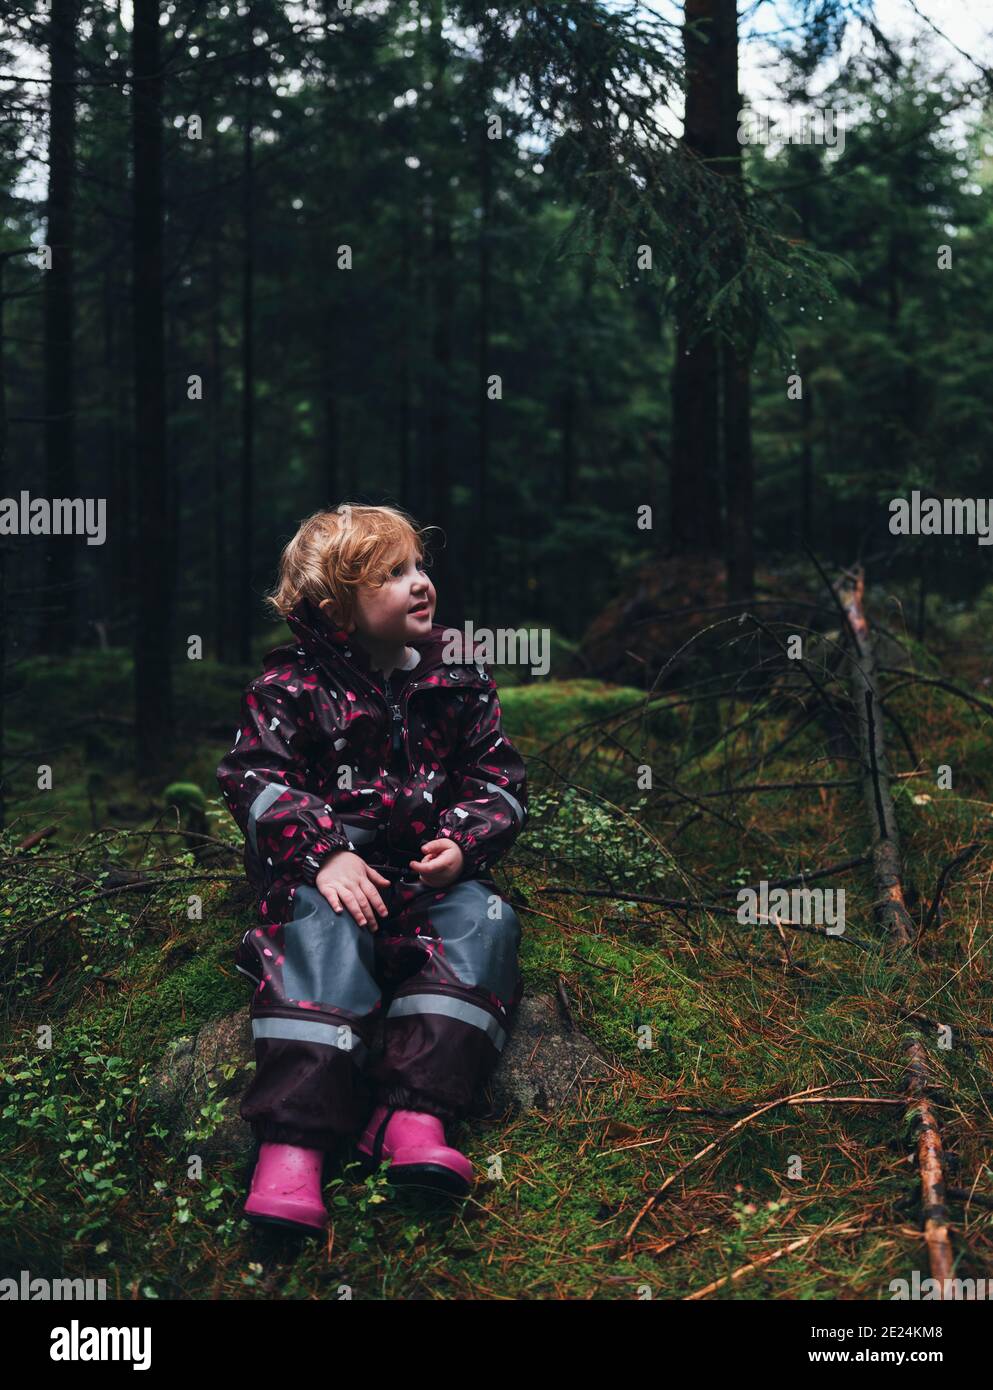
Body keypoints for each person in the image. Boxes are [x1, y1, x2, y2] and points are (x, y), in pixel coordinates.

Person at [216, 502, 529, 1232]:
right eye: (392, 575)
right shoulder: (288, 687)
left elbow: (499, 778)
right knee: (319, 942)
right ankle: (293, 1145)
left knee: (486, 924)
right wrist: (322, 852)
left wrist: (463, 842)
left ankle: (412, 1116)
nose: (420, 582)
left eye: (419, 566)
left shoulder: (457, 672)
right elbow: (252, 778)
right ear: (336, 610)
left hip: (424, 879)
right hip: (323, 880)